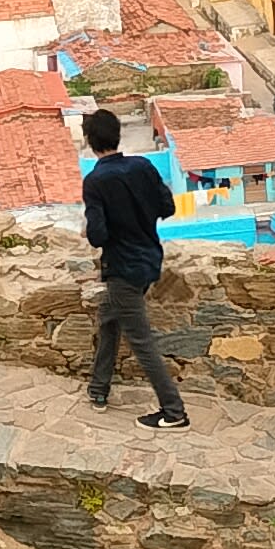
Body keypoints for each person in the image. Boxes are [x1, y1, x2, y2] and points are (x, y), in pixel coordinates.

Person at [77, 106, 187, 426]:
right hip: (150, 257)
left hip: (123, 266)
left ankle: (173, 412)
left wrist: (97, 226)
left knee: (141, 342)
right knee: (110, 319)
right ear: (117, 134)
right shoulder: (143, 166)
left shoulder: (95, 181)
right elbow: (167, 206)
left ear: (90, 141)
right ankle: (99, 388)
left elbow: (98, 236)